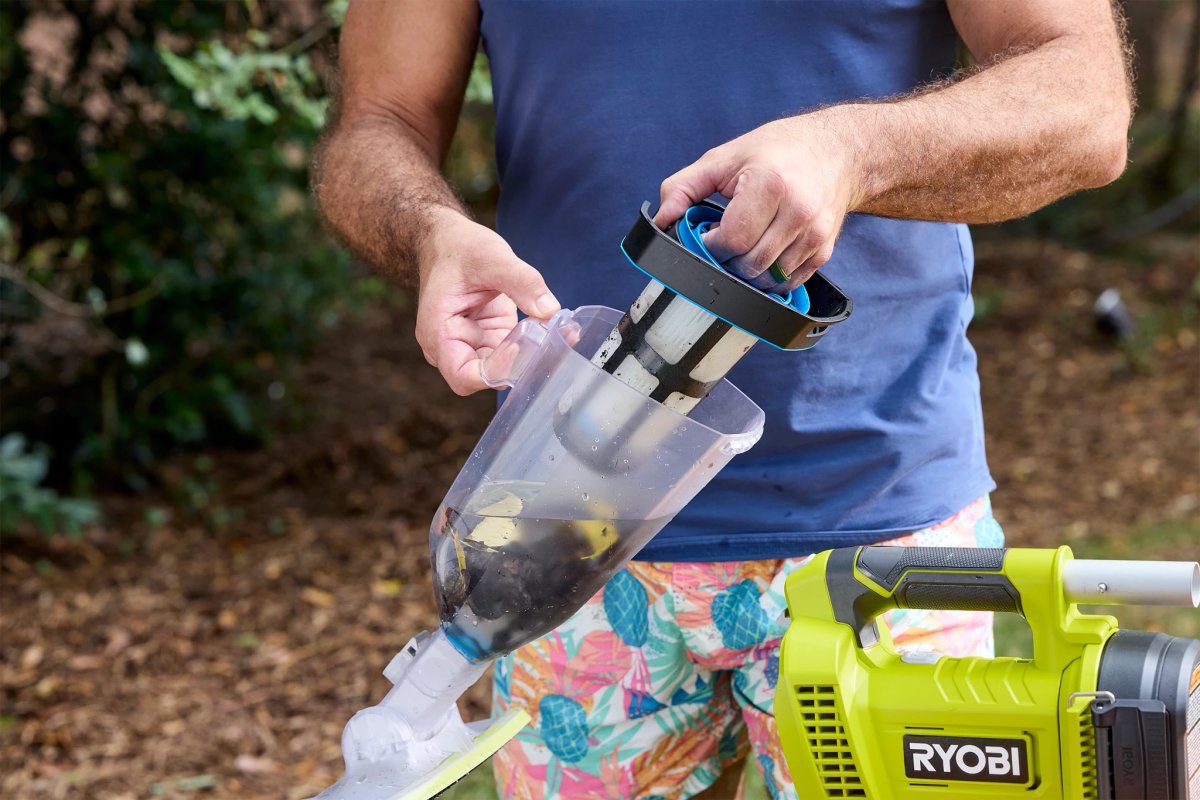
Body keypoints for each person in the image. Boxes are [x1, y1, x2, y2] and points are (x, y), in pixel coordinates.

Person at [313, 1, 1132, 797]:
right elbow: (377, 120)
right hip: (557, 534)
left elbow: (1086, 104)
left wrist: (853, 150)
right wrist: (429, 231)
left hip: (875, 532)